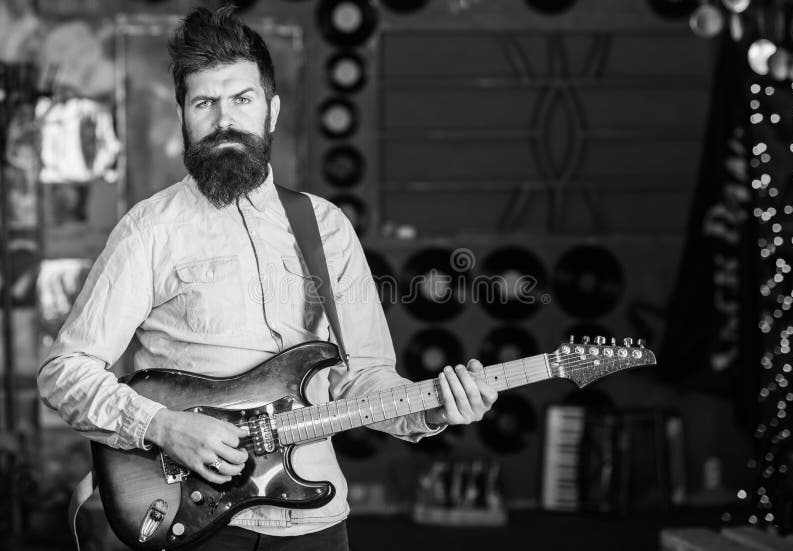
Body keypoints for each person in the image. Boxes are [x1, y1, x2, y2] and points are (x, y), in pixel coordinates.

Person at [37, 6, 498, 551]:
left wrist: (433, 408)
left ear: (272, 111)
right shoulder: (150, 230)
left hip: (314, 522)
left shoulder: (323, 226)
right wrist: (163, 426)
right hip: (198, 521)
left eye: (242, 99)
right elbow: (64, 372)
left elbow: (367, 378)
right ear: (182, 113)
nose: (224, 119)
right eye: (204, 102)